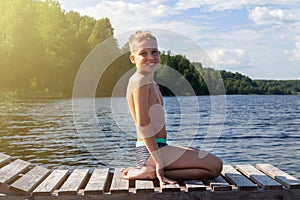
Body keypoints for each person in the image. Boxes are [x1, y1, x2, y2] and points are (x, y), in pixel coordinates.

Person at [122, 31, 222, 184]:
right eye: (143, 53)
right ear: (132, 58)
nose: (150, 57)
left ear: (159, 54)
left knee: (207, 162)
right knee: (215, 165)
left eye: (154, 52)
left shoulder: (152, 83)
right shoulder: (139, 81)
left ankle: (151, 170)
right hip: (150, 151)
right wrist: (159, 161)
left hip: (160, 146)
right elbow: (142, 125)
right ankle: (152, 169)